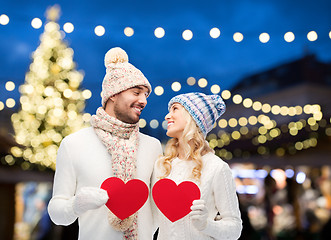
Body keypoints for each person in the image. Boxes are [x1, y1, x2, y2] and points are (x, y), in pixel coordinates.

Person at [48, 47, 163, 240]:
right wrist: (76, 204)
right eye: (136, 92)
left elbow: (158, 210)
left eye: (145, 95)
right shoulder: (74, 144)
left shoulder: (153, 146)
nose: (143, 100)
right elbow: (56, 212)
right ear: (113, 94)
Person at [153, 92, 242, 239]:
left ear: (192, 117)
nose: (167, 116)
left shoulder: (216, 167)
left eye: (175, 109)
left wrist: (206, 225)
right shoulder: (162, 165)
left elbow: (234, 228)